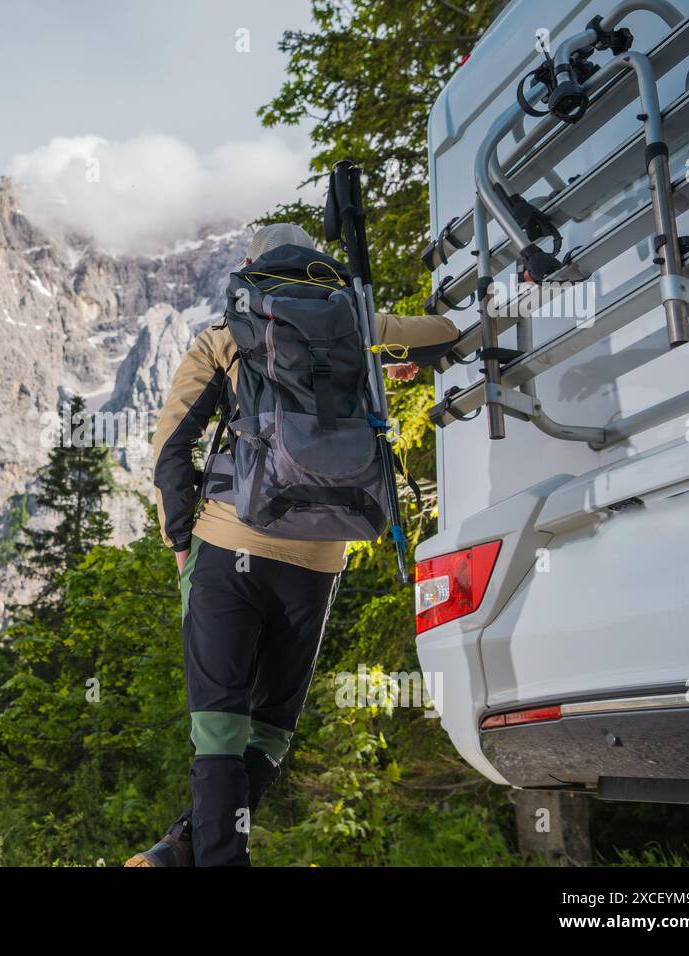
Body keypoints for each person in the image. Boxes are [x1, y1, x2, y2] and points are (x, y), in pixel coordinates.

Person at [125, 222, 458, 867]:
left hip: (229, 542)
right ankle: (185, 848)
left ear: (253, 265)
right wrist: (419, 350)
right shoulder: (355, 324)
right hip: (319, 557)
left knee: (218, 728)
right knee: (270, 733)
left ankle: (200, 852)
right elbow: (442, 334)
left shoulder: (228, 334)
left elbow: (171, 449)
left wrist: (179, 545)